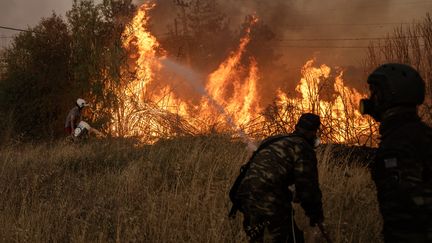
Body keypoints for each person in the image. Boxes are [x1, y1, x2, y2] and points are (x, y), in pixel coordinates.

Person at [360, 63, 432, 242]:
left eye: (374, 93)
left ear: (388, 96)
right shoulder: (423, 134)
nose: (370, 99)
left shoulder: (397, 145)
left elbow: (405, 210)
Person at [232, 113, 324, 243]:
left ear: (296, 127)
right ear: (314, 132)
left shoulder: (274, 139)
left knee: (256, 239)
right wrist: (316, 214)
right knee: (291, 239)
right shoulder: (303, 147)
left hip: (245, 196)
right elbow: (308, 187)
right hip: (269, 199)